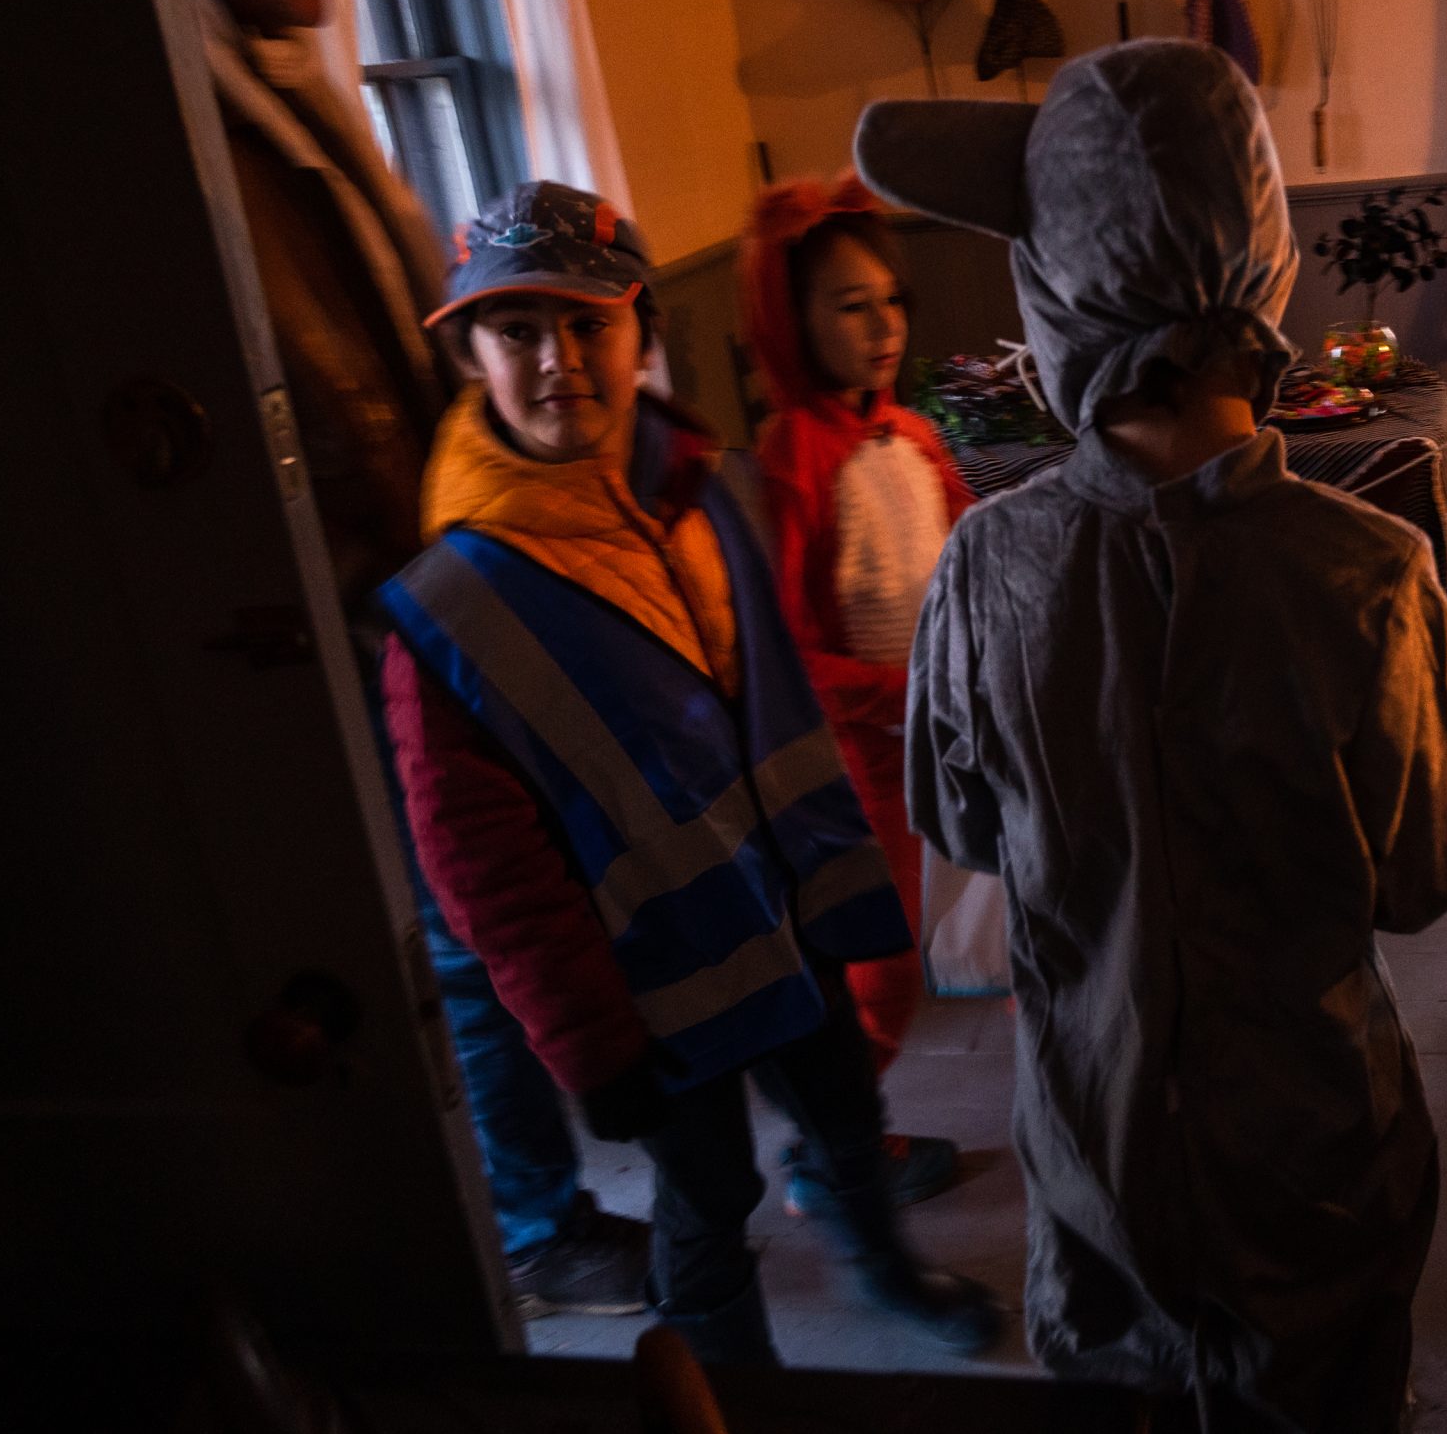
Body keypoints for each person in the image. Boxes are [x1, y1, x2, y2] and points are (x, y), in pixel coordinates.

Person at [855, 40, 1447, 1433]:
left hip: (1096, 1149)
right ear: (1266, 268)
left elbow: (960, 824)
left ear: (1052, 294)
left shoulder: (982, 566)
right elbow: (1427, 873)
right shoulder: (1373, 569)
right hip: (1320, 1154)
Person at [134, 0, 650, 1315]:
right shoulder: (182, 126)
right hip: (357, 610)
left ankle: (543, 1191)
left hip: (418, 584)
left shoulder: (289, 96)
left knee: (488, 919)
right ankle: (534, 1221)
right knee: (461, 936)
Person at [377, 182, 1002, 1366]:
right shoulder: (451, 609)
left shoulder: (697, 489)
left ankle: (884, 1263)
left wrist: (834, 880)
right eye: (516, 329)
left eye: (588, 323)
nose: (557, 359)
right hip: (651, 983)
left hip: (786, 919)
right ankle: (722, 1380)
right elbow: (485, 873)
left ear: (642, 332)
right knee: (707, 1192)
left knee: (843, 1109)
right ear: (468, 354)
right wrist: (589, 1042)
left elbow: (769, 710)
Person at [736, 176, 975, 1217]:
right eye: (850, 305)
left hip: (934, 731)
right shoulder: (795, 453)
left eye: (892, 301)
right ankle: (831, 1148)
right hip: (856, 759)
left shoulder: (915, 434)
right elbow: (788, 652)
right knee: (875, 964)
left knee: (949, 925)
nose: (884, 328)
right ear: (792, 320)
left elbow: (974, 548)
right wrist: (909, 689)